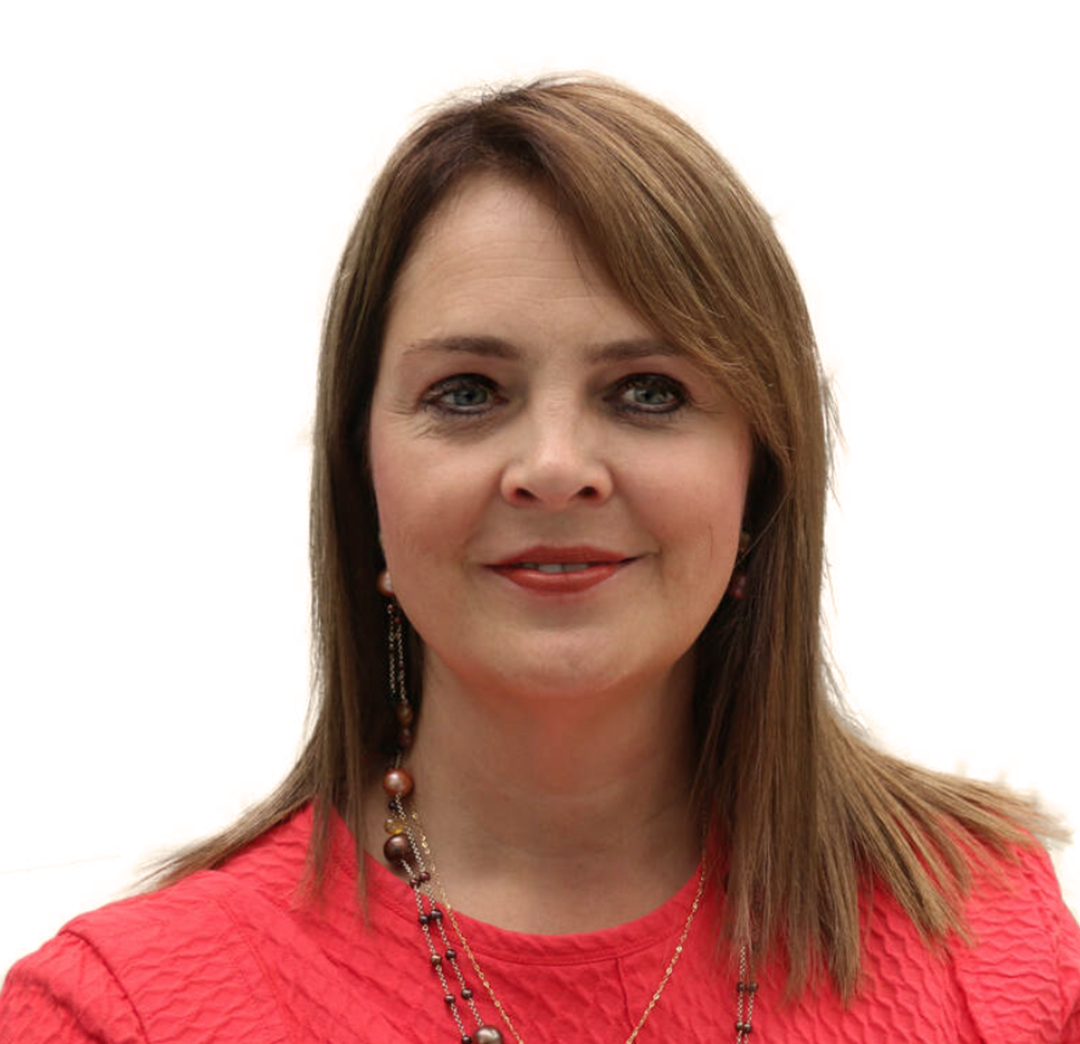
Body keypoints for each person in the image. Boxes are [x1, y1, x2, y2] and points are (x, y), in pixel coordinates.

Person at [1, 75, 1078, 1044]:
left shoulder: (994, 944)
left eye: (648, 391)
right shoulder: (120, 1014)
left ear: (759, 484)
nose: (554, 469)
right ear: (362, 488)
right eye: (466, 393)